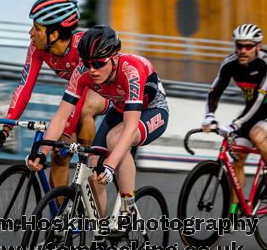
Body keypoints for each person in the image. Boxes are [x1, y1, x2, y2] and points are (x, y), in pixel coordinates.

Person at [27, 25, 169, 218]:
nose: (92, 70)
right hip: (119, 110)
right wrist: (42, 153)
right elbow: (61, 116)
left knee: (114, 139)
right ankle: (101, 233)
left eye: (99, 64)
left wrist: (110, 166)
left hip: (152, 110)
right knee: (94, 165)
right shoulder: (82, 72)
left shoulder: (131, 70)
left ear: (115, 57)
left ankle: (128, 210)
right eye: (87, 63)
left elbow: (130, 127)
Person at [0, 0, 108, 189]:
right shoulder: (37, 48)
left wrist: (65, 133)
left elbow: (82, 94)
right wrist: (7, 127)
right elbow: (25, 86)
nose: (31, 33)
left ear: (55, 33)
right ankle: (59, 217)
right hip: (78, 95)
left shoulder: (82, 46)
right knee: (59, 156)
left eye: (37, 28)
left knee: (83, 112)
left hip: (103, 92)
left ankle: (89, 173)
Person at [202, 24, 267, 212]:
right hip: (253, 110)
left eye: (248, 46)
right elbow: (215, 91)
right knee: (238, 158)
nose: (242, 50)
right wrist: (209, 115)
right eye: (239, 45)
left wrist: (235, 124)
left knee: (257, 136)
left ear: (258, 47)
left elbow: (259, 98)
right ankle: (233, 211)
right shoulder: (229, 63)